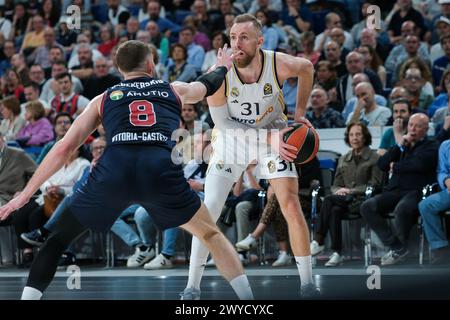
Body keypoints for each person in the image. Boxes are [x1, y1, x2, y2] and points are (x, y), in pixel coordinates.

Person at [0, 40, 253, 301]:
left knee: (56, 241)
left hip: (114, 171)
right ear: (151, 64)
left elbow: (64, 147)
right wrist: (222, 66)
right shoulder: (173, 89)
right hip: (159, 171)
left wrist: (25, 194)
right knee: (211, 234)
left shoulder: (103, 98)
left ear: (119, 69)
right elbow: (206, 84)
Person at [180, 14, 318, 300]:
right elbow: (222, 123)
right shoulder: (220, 72)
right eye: (232, 37)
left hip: (274, 137)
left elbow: (306, 68)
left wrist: (300, 114)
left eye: (244, 37)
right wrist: (269, 137)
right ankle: (192, 287)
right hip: (234, 140)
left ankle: (307, 284)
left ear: (259, 41)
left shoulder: (276, 62)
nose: (237, 43)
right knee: (210, 210)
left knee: (291, 204)